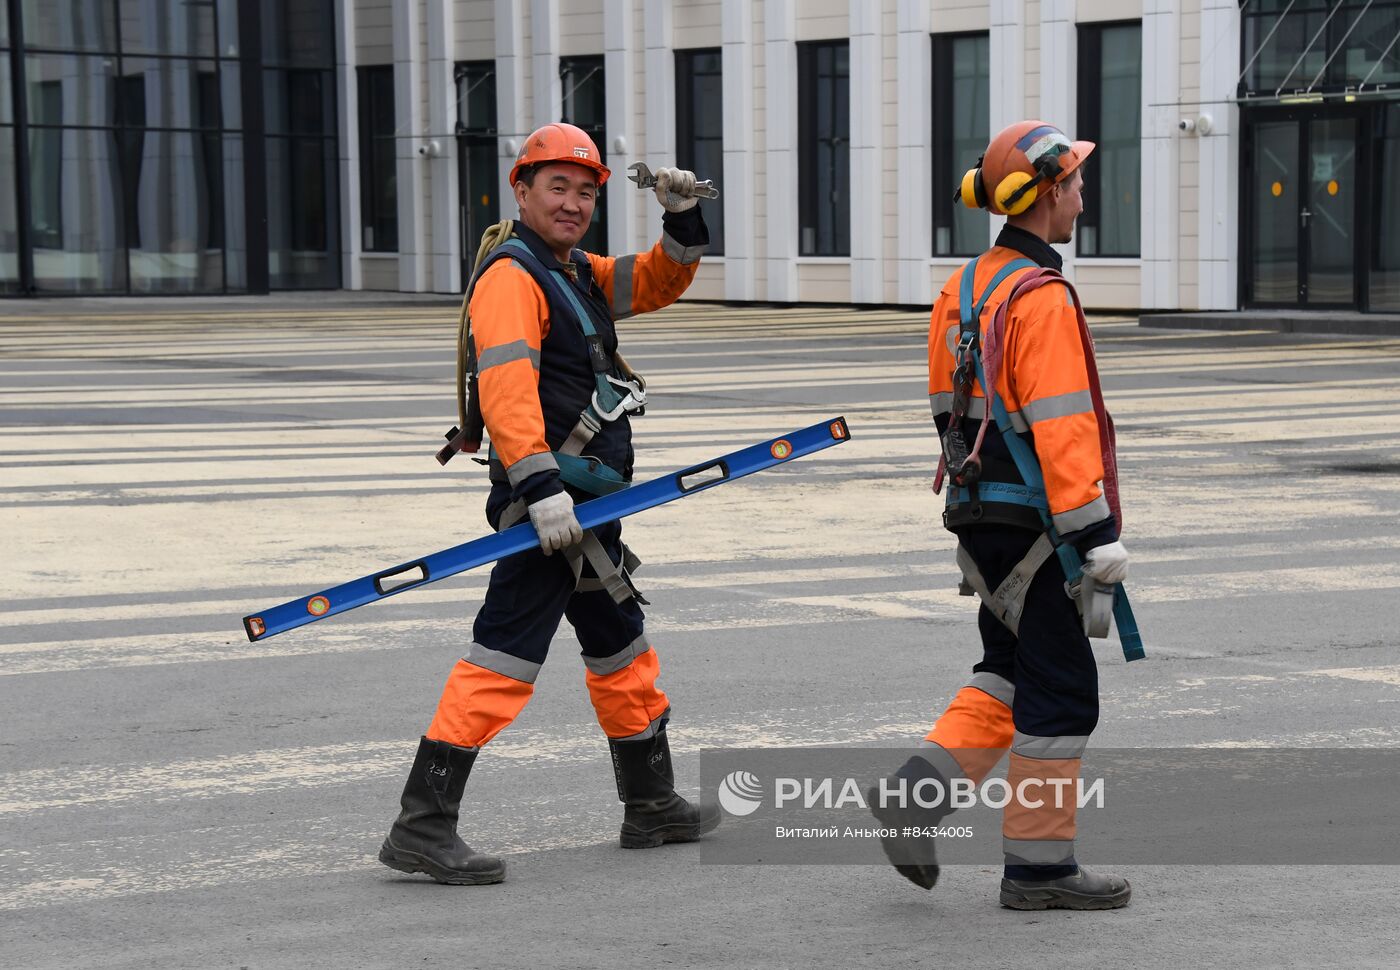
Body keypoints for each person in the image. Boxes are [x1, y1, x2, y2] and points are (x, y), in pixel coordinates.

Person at [379, 122, 719, 885]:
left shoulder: (571, 270)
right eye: (558, 187)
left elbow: (658, 281)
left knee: (621, 646)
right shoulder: (515, 276)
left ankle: (652, 803)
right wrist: (538, 489)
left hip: (584, 511)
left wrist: (682, 218)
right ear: (522, 190)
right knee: (503, 656)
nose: (573, 203)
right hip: (550, 511)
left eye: (587, 191)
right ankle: (421, 825)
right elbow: (504, 389)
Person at [870, 120, 1132, 910]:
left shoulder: (967, 285)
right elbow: (1061, 421)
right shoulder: (1041, 296)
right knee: (1064, 692)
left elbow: (948, 410)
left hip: (979, 511)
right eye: (1076, 184)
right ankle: (1040, 870)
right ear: (1049, 193)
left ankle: (913, 798)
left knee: (1010, 670)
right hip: (1039, 524)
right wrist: (1092, 534)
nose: (1083, 198)